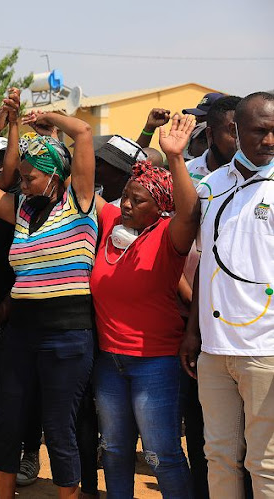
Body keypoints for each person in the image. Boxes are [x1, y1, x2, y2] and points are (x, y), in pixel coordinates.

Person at [0, 94, 97, 499]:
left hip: (67, 336)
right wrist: (2, 125)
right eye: (21, 178)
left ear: (55, 174)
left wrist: (46, 115)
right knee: (8, 422)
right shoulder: (21, 208)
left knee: (59, 428)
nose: (22, 184)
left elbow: (83, 131)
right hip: (22, 334)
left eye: (29, 178)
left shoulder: (80, 202)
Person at [90, 114, 199, 497]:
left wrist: (176, 158)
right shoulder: (107, 223)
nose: (127, 205)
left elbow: (189, 211)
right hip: (109, 363)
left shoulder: (168, 238)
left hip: (156, 363)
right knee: (115, 450)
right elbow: (84, 182)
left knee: (161, 454)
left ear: (160, 207)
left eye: (139, 200)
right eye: (126, 196)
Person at [180, 91, 274, 497]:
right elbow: (206, 261)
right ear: (235, 131)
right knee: (218, 455)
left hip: (265, 350)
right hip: (215, 352)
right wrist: (193, 331)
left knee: (264, 463)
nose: (270, 140)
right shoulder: (210, 187)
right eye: (260, 131)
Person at [178, 95, 241, 499]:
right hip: (195, 322)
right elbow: (182, 249)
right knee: (204, 434)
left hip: (248, 325)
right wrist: (192, 320)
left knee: (253, 444)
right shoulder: (191, 177)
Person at [94, 135, 148, 203]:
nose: (96, 163)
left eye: (104, 161)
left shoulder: (127, 211)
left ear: (123, 173)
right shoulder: (90, 198)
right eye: (97, 159)